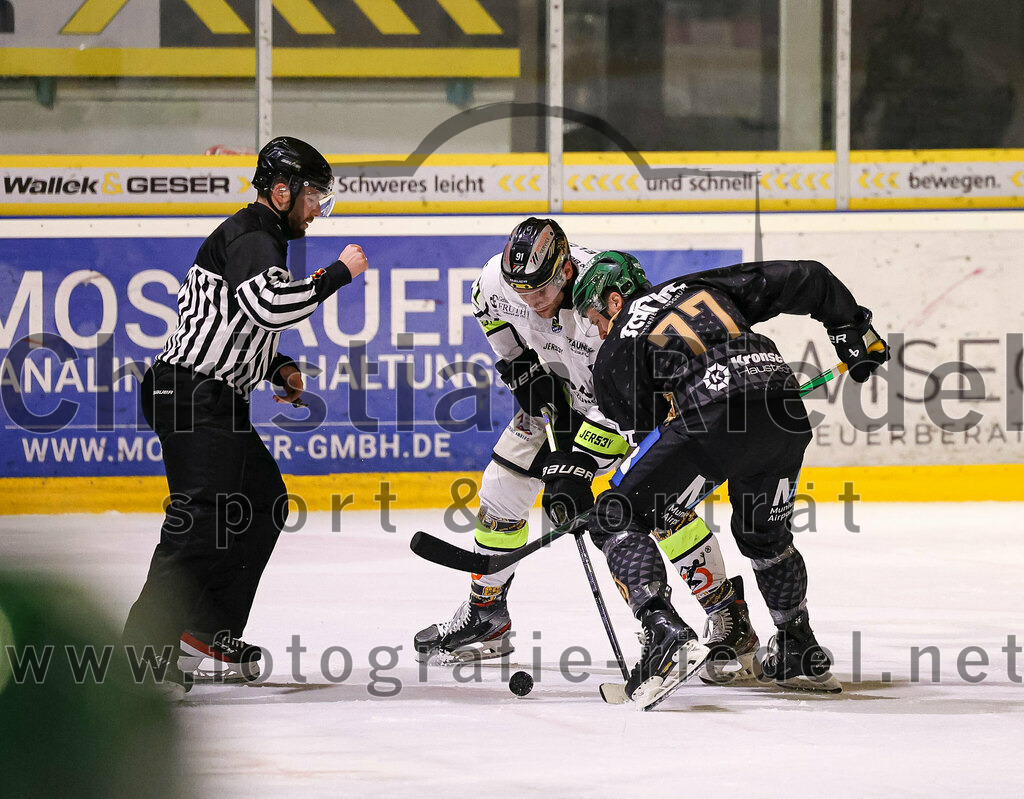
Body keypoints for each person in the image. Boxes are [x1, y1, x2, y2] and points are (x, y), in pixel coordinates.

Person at [414, 221, 757, 686]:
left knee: (654, 504)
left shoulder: (606, 291)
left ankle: (726, 613)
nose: (533, 300)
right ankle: (487, 613)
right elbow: (486, 307)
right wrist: (518, 363)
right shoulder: (498, 282)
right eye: (523, 291)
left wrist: (576, 465)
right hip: (562, 399)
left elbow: (630, 391)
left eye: (545, 288)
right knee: (501, 489)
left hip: (629, 403)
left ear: (568, 269)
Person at [570, 255, 890, 703]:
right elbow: (808, 276)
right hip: (784, 411)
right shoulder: (701, 285)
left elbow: (648, 436)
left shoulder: (616, 346)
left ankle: (664, 633)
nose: (597, 330)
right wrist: (850, 328)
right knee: (764, 537)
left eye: (593, 318)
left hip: (714, 418)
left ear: (615, 300)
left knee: (615, 516)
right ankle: (798, 647)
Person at [122, 136, 369, 698]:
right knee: (202, 520)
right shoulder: (257, 234)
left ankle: (207, 633)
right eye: (314, 198)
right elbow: (267, 305)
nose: (317, 211)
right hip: (191, 395)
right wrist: (338, 273)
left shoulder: (260, 235)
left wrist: (276, 367)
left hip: (208, 394)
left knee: (262, 502)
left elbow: (234, 324)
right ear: (281, 191)